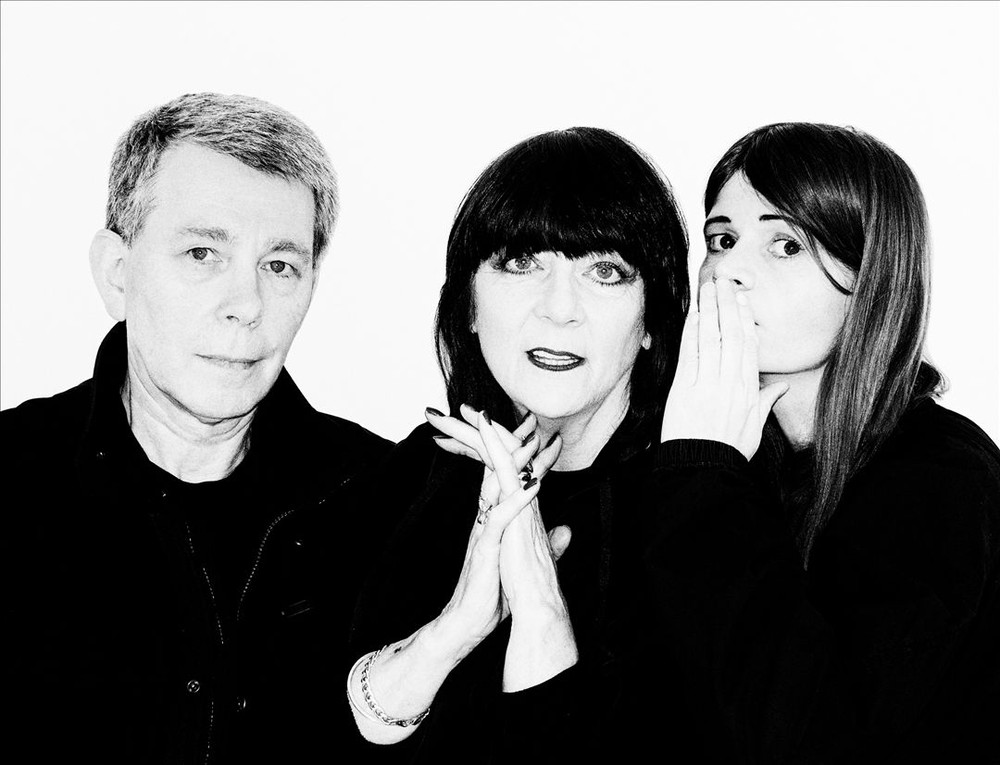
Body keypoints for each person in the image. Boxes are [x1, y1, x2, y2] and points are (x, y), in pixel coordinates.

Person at [1, 93, 391, 763]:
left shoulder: (382, 498)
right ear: (117, 274)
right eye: (203, 253)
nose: (246, 304)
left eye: (279, 265)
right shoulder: (5, 477)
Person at [649, 122, 1000, 763]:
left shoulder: (940, 477)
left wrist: (701, 474)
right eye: (721, 240)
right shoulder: (738, 463)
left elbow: (812, 746)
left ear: (871, 277)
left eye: (785, 245)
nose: (728, 272)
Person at [342, 127, 690, 760]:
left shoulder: (691, 511)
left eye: (604, 272)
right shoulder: (411, 477)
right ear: (470, 305)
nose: (559, 309)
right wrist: (455, 629)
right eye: (522, 263)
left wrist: (540, 609)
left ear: (650, 321)